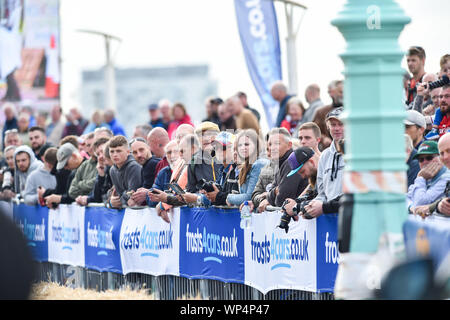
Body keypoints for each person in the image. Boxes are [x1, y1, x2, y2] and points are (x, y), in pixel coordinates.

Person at [305, 107, 346, 218]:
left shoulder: (357, 153)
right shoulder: (325, 155)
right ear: (328, 127)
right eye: (333, 125)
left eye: (341, 124)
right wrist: (310, 206)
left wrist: (324, 207)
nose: (337, 128)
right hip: (329, 218)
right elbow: (322, 193)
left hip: (349, 216)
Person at [255, 127, 308, 211]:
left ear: (289, 145)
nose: (272, 148)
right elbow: (273, 191)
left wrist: (270, 196)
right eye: (270, 144)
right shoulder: (280, 163)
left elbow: (281, 200)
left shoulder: (291, 162)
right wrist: (274, 192)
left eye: (277, 143)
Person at [226, 129, 269, 207]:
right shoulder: (245, 166)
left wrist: (228, 198)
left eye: (246, 144)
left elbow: (249, 196)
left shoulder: (258, 164)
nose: (242, 148)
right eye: (240, 145)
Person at [407, 140, 450, 211]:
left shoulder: (447, 177)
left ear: (441, 157)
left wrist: (420, 178)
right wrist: (411, 207)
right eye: (421, 159)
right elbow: (406, 199)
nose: (425, 162)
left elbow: (420, 203)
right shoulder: (426, 176)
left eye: (429, 158)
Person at [281, 147, 321, 218]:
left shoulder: (327, 173)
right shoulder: (314, 178)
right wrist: (296, 202)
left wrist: (296, 207)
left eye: (303, 171)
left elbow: (326, 199)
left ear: (311, 162)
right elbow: (309, 195)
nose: (302, 177)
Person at [41, 143, 85, 208]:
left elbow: (75, 195)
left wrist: (59, 198)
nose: (65, 168)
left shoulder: (86, 169)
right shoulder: (73, 173)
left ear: (74, 156)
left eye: (66, 164)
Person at [185, 121, 221, 194]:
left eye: (210, 134)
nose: (206, 139)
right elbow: (191, 190)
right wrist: (199, 193)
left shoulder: (227, 157)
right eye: (201, 135)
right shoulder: (193, 161)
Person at [108, 135, 142, 209]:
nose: (115, 155)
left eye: (118, 151)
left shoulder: (134, 167)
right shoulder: (112, 170)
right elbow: (117, 194)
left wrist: (118, 200)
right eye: (112, 151)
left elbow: (132, 194)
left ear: (128, 152)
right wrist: (111, 202)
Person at [75, 138, 111, 206]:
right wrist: (101, 175)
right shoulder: (103, 169)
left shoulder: (115, 169)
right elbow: (97, 197)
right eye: (98, 154)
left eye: (102, 151)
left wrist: (88, 199)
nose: (100, 156)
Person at [125, 137, 160, 206]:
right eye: (135, 152)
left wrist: (135, 198)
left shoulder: (151, 163)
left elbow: (144, 195)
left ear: (149, 148)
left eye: (141, 150)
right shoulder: (145, 165)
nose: (139, 155)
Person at [312, 80, 344, 150]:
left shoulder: (352, 112)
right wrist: (323, 138)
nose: (343, 94)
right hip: (328, 149)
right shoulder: (321, 112)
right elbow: (313, 130)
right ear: (331, 93)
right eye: (340, 92)